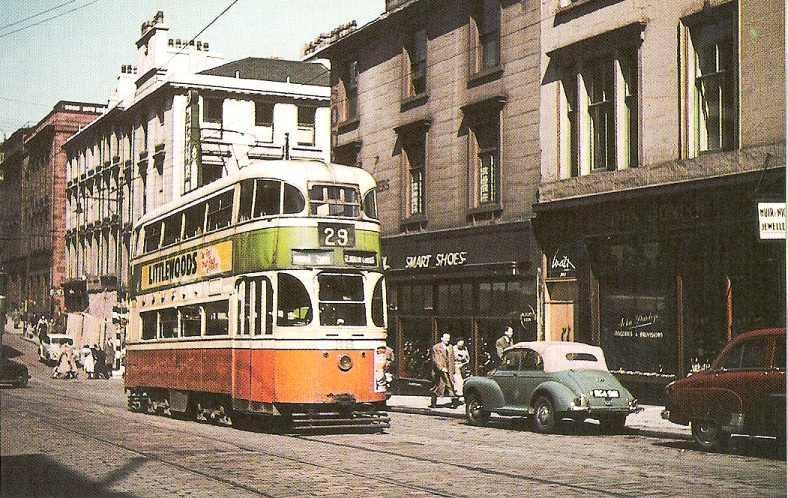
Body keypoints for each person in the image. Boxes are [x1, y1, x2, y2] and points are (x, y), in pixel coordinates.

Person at [429, 333, 459, 408]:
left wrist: (452, 370)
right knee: (438, 386)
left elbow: (452, 359)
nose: (447, 340)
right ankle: (434, 402)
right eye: (446, 338)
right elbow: (436, 359)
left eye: (448, 338)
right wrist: (441, 367)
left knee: (450, 385)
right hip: (439, 371)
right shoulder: (436, 347)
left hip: (449, 370)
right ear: (442, 338)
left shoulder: (450, 347)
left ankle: (453, 402)